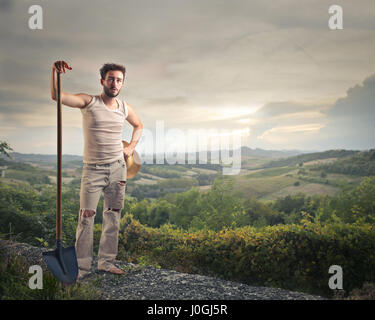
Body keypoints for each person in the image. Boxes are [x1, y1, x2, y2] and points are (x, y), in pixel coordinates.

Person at [50, 60, 143, 279]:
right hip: (92, 170)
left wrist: (131, 146)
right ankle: (81, 268)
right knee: (86, 217)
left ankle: (106, 262)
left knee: (113, 216)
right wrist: (54, 71)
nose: (114, 83)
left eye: (119, 80)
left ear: (122, 84)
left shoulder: (124, 108)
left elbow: (139, 126)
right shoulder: (89, 101)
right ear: (102, 81)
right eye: (111, 78)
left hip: (118, 170)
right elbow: (57, 96)